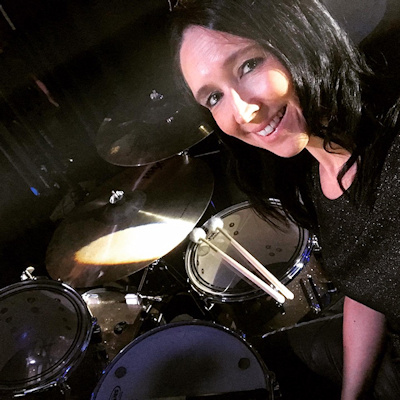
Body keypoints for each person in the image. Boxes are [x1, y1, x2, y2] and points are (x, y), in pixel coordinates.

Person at [169, 0, 400, 399]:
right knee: (258, 359)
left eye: (248, 65)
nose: (243, 113)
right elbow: (369, 287)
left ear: (296, 36)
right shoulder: (310, 172)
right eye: (214, 97)